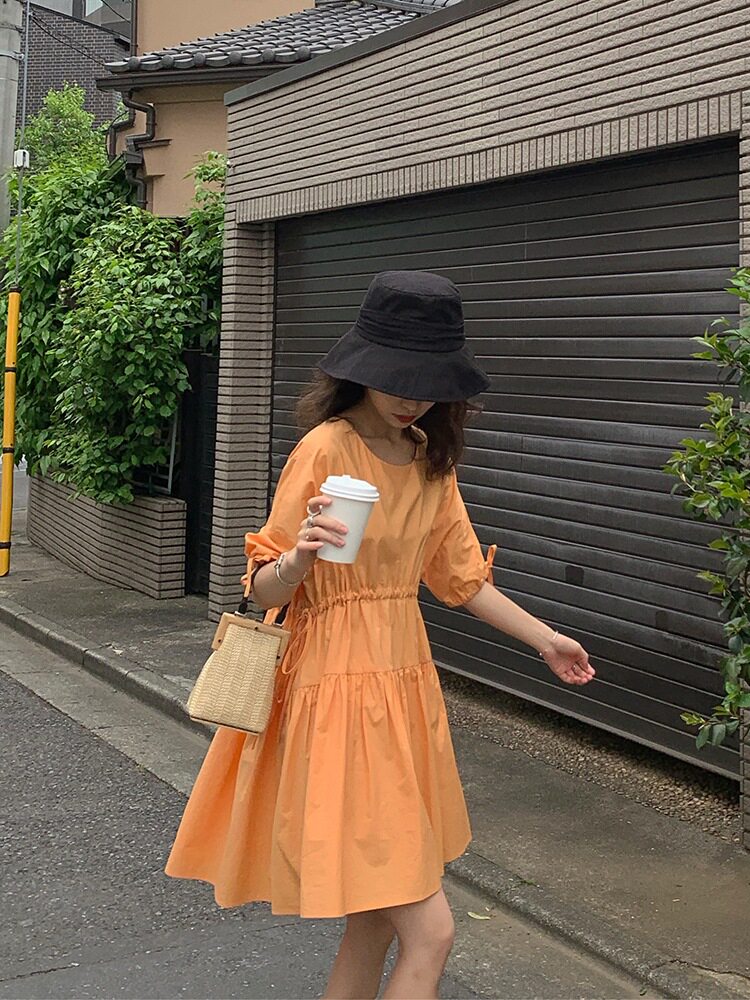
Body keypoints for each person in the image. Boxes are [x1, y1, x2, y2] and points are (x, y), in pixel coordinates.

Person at [165, 270, 595, 1000]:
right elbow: (261, 588)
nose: (410, 396)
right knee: (431, 931)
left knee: (374, 920)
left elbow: (461, 578)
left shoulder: (431, 460)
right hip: (334, 692)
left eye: (427, 382)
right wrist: (300, 558)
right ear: (361, 368)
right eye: (397, 376)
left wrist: (545, 639)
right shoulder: (326, 449)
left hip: (401, 685)